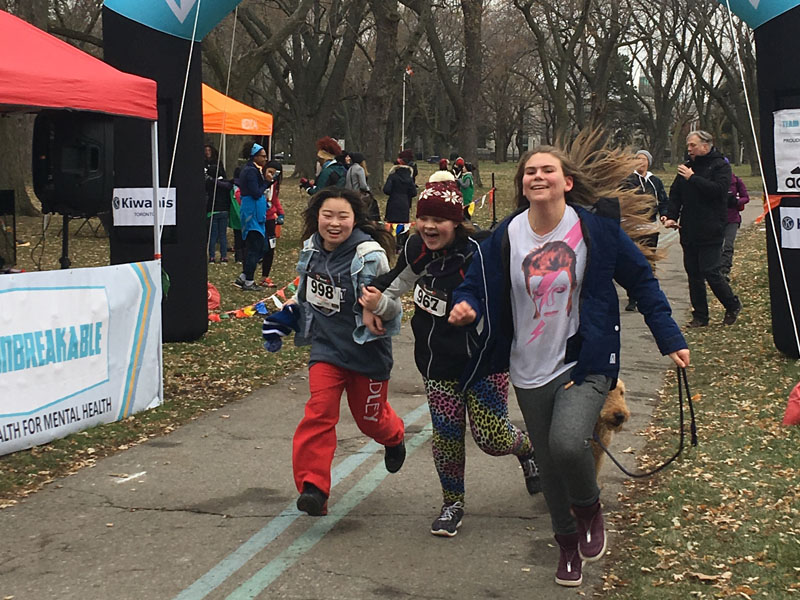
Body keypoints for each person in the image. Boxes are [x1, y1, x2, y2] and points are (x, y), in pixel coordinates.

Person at [448, 132, 690, 588]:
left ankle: (590, 508)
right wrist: (467, 305)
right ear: (522, 185)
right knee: (549, 461)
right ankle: (567, 546)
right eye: (530, 172)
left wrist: (670, 337)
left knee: (565, 444)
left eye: (547, 170)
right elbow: (474, 282)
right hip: (527, 365)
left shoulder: (594, 231)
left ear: (567, 181)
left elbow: (642, 283)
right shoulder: (507, 234)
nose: (538, 176)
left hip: (585, 361)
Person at [358, 171, 541, 538]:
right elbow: (393, 285)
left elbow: (509, 292)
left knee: (491, 439)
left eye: (438, 220)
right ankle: (452, 504)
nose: (428, 226)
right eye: (423, 218)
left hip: (482, 360)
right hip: (437, 360)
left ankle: (527, 449)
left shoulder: (479, 253)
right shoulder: (416, 249)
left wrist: (474, 313)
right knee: (444, 434)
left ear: (457, 222)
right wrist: (372, 305)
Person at [261, 188, 406, 516]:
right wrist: (285, 318)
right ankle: (313, 487)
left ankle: (394, 435)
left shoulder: (368, 256)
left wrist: (377, 306)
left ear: (355, 220)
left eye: (343, 216)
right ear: (317, 217)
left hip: (366, 352)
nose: (334, 223)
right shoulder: (311, 250)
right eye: (328, 215)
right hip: (326, 350)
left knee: (370, 421)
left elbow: (393, 308)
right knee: (319, 412)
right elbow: (305, 296)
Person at [664, 130, 743, 326]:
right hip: (689, 228)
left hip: (712, 227)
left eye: (693, 145)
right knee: (693, 273)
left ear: (706, 145)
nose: (689, 149)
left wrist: (693, 178)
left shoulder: (720, 166)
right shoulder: (686, 168)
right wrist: (670, 216)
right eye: (688, 145)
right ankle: (700, 315)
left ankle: (732, 304)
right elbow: (676, 195)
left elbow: (718, 192)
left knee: (711, 271)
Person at [621, 149, 668, 311]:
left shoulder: (655, 181)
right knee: (633, 260)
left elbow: (663, 201)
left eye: (644, 160)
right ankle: (632, 297)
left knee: (649, 260)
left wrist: (665, 215)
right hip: (632, 226)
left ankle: (648, 294)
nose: (641, 162)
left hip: (650, 226)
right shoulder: (628, 180)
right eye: (638, 159)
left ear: (649, 162)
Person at [234, 143, 271, 292]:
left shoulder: (255, 170)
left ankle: (244, 276)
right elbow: (256, 192)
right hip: (252, 214)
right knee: (255, 247)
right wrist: (267, 183)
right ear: (254, 156)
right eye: (262, 156)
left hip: (257, 213)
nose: (265, 158)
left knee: (261, 247)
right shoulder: (250, 171)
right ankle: (249, 281)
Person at [204, 144, 232, 263]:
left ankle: (211, 256)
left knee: (213, 235)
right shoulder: (225, 185)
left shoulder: (209, 184)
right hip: (223, 210)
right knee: (222, 235)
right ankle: (224, 256)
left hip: (213, 210)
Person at [259, 160, 284, 288]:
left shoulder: (274, 185)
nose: (272, 175)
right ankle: (247, 277)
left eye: (275, 174)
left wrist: (281, 213)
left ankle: (265, 276)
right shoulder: (258, 181)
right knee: (257, 247)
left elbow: (274, 199)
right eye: (270, 172)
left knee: (270, 247)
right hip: (257, 218)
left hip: (270, 219)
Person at [721, 169, 750, 281]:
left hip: (732, 219)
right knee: (716, 246)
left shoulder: (736, 181)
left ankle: (725, 271)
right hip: (715, 219)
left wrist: (736, 201)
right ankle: (714, 270)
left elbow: (746, 197)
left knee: (728, 245)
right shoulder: (712, 180)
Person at [383, 159, 417, 252]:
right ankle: (401, 245)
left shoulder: (393, 176)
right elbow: (414, 192)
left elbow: (386, 190)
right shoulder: (409, 178)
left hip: (393, 201)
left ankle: (390, 244)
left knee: (391, 223)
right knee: (403, 224)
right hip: (404, 203)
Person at [345, 152, 380, 222]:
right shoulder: (359, 169)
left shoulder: (350, 169)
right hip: (358, 194)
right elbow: (363, 185)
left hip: (349, 193)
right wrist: (369, 190)